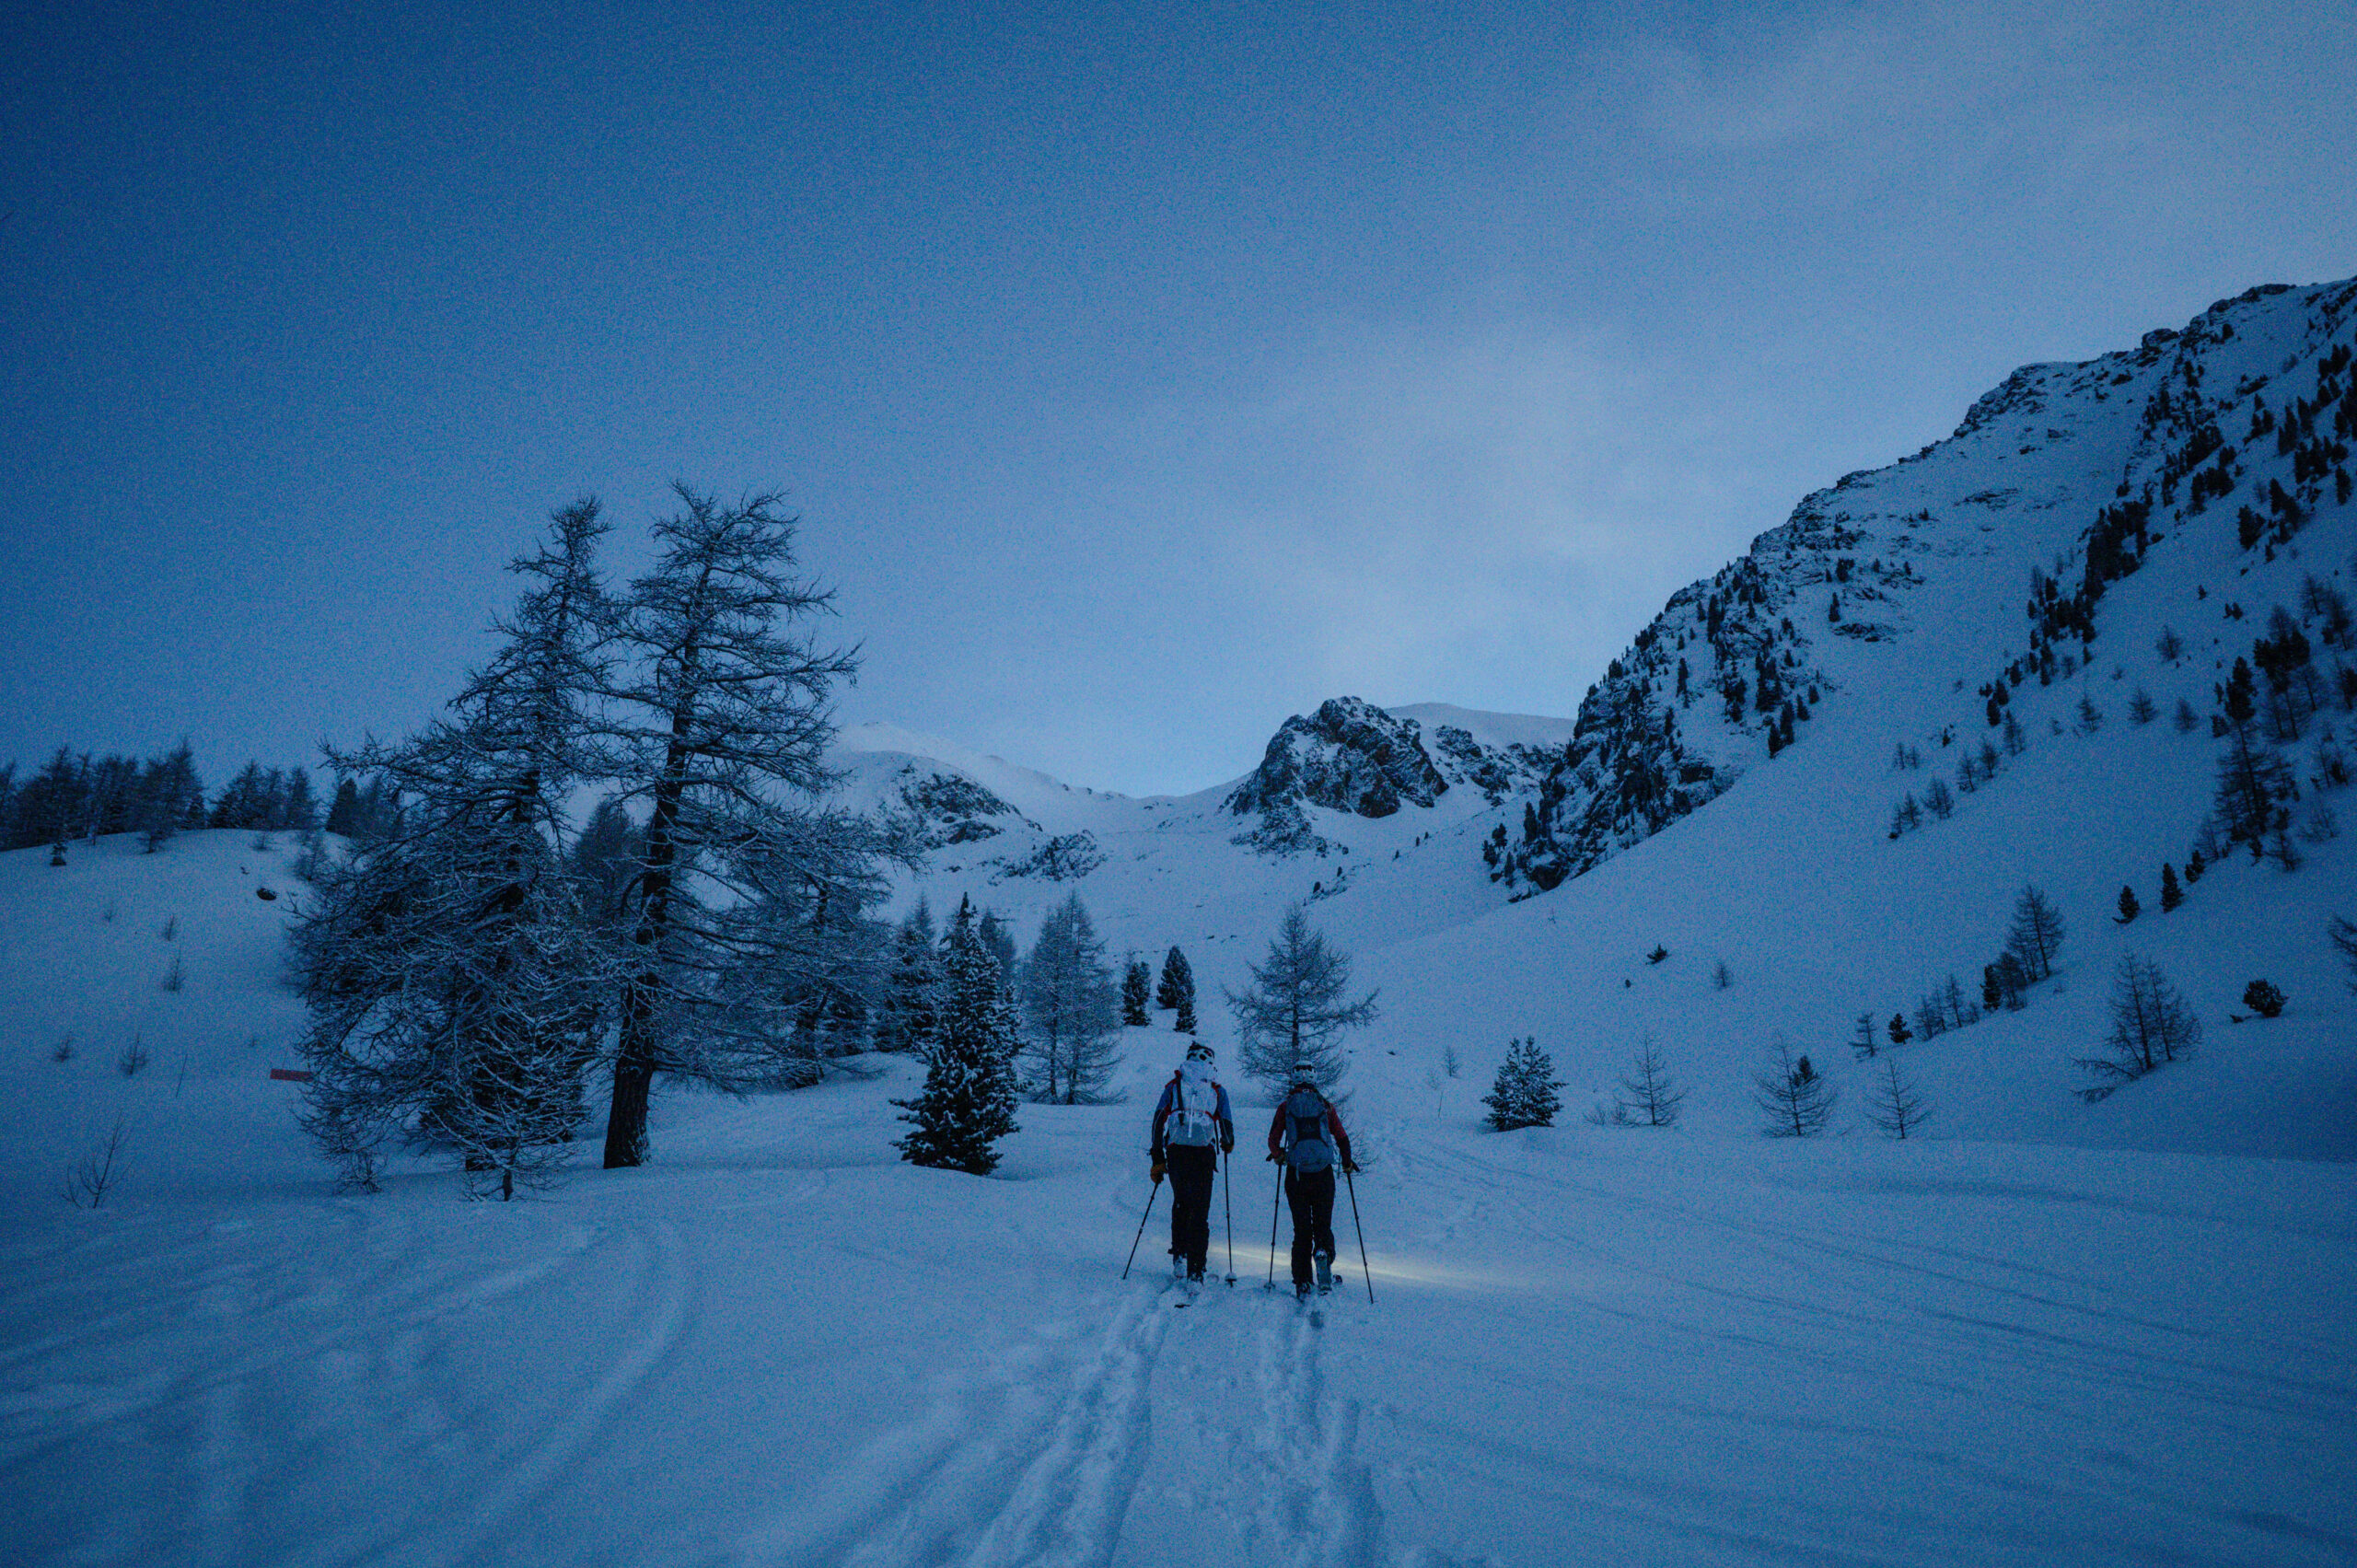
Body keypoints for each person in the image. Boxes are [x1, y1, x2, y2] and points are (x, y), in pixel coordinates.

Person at [1267, 1060, 1356, 1297]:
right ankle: (1324, 1253)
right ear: (1314, 1080)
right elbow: (1342, 1137)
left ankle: (1303, 1281)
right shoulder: (1325, 1106)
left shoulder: (1286, 1107)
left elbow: (1273, 1141)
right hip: (1323, 1175)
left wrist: (1279, 1156)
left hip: (1296, 1176)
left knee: (1302, 1229)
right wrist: (1346, 1162)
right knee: (1323, 1224)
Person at [1150, 1040, 1235, 1283]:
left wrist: (1157, 1158)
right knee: (1200, 1210)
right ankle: (1197, 1269)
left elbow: (1157, 1121)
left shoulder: (1175, 1085)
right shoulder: (1217, 1090)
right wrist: (1227, 1144)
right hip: (1203, 1154)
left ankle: (1180, 1257)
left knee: (1181, 1203)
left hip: (1176, 1152)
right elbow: (1226, 1127)